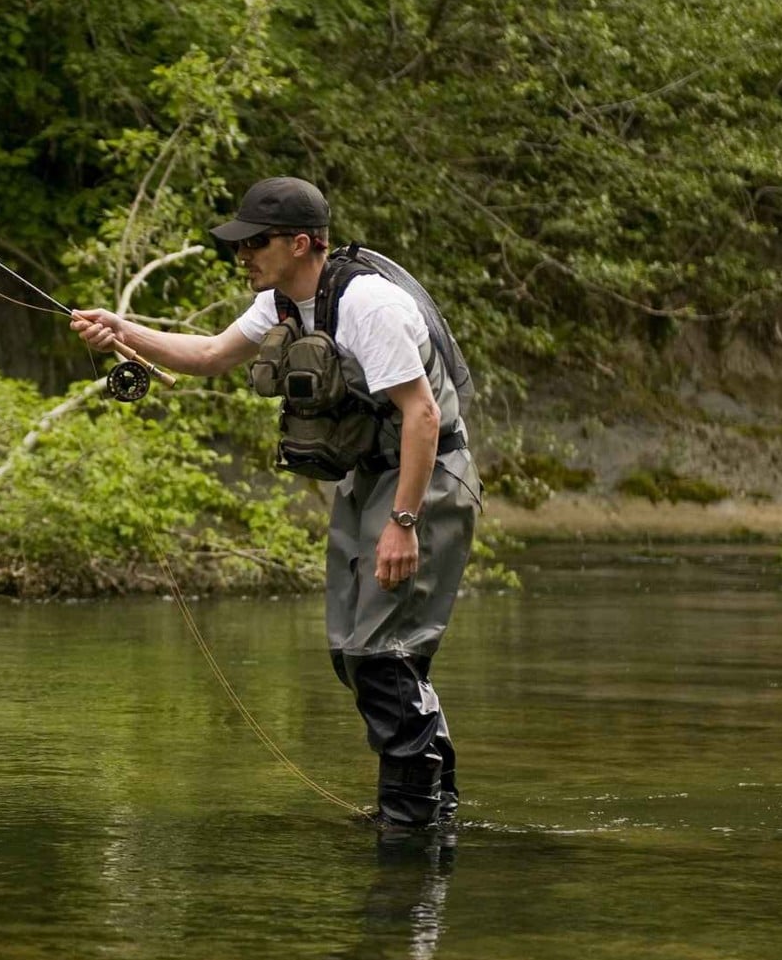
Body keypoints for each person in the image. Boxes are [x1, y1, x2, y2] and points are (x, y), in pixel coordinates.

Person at [71, 176, 481, 827]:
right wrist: (124, 330)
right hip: (369, 479)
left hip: (423, 480)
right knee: (353, 655)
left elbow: (423, 416)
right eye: (241, 244)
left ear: (300, 243)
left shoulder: (367, 306)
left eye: (255, 243)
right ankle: (432, 806)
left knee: (382, 656)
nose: (244, 256)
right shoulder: (285, 302)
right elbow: (206, 355)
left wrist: (403, 522)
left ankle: (412, 823)